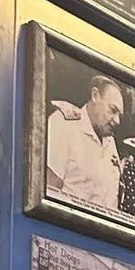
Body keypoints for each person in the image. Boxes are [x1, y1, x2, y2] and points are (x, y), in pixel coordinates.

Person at [46, 76, 123, 211]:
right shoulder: (64, 124)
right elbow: (49, 190)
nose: (117, 121)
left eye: (119, 115)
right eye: (112, 110)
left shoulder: (109, 141)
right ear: (95, 96)